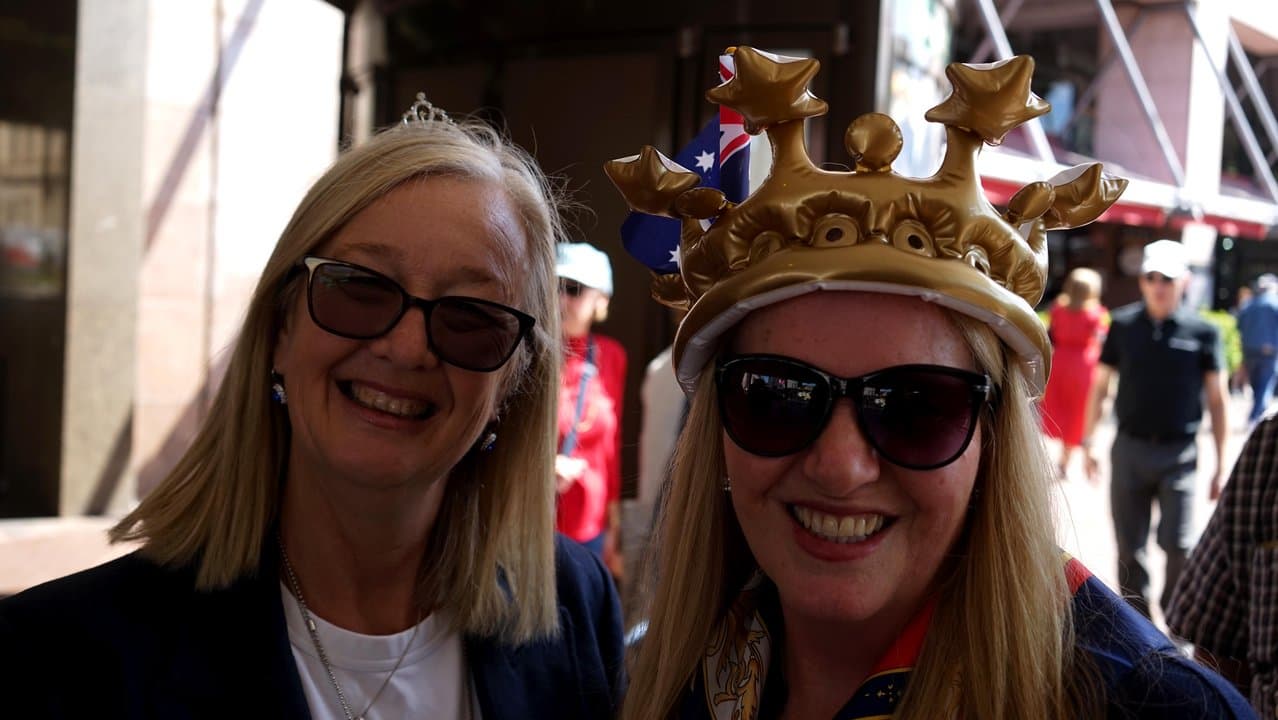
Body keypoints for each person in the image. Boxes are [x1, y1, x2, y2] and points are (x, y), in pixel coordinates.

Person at [606, 47, 1253, 719]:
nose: (839, 467)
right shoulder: (665, 673)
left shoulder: (1161, 711)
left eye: (917, 406)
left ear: (994, 438)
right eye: (777, 398)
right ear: (717, 425)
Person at [0, 97, 623, 719]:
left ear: (513, 384)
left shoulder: (578, 607)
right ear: (279, 328)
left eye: (470, 317)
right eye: (359, 287)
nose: (407, 349)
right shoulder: (58, 654)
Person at [1082, 238, 1229, 620]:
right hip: (1129, 447)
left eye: (1167, 277)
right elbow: (1100, 387)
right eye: (1151, 277)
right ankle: (1139, 625)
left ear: (1183, 281)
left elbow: (1218, 400)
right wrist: (1089, 442)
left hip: (1179, 454)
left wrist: (1221, 464)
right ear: (1143, 281)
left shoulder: (1204, 332)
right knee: (1130, 546)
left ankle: (1177, 616)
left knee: (1179, 544)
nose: (1158, 285)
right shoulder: (1124, 325)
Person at [555, 242, 627, 579]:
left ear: (601, 300)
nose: (561, 299)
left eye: (574, 288)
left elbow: (611, 447)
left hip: (591, 533)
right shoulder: (524, 351)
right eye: (554, 286)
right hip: (532, 523)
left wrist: (614, 526)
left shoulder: (611, 356)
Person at [1040, 267, 1107, 479]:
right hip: (1084, 368)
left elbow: (1050, 336)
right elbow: (1102, 340)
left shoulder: (1057, 308)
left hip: (1059, 363)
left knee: (1058, 409)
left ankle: (1057, 460)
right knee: (1077, 414)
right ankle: (1064, 461)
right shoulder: (1097, 314)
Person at [1236, 273, 1278, 427]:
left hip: (1249, 351)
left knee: (1256, 387)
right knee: (1264, 387)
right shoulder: (1274, 303)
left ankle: (1255, 416)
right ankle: (1255, 418)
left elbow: (1238, 325)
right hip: (1269, 352)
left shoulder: (1249, 304)